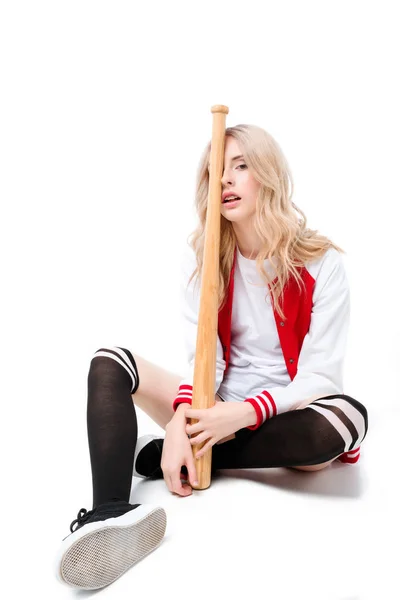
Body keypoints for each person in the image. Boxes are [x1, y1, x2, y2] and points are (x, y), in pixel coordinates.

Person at [55, 124, 368, 590]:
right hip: (213, 405)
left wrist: (242, 414)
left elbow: (320, 375)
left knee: (346, 419)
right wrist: (185, 417)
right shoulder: (203, 258)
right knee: (109, 360)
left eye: (240, 167)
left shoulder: (322, 263)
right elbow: (206, 362)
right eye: (215, 172)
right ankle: (110, 515)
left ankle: (165, 456)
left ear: (269, 175)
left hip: (287, 411)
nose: (225, 180)